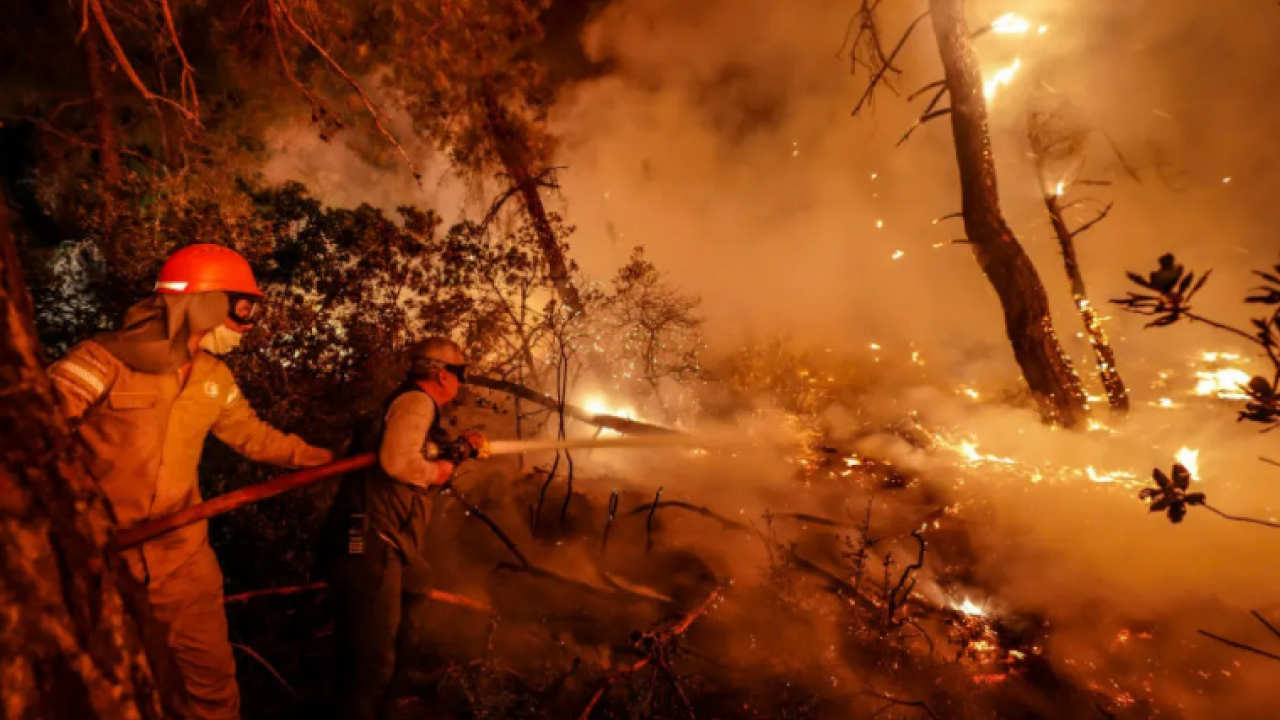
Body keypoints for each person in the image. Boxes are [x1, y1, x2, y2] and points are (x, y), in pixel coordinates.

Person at [47, 244, 334, 719]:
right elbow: (33, 431)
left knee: (212, 694)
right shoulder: (100, 362)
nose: (246, 322)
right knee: (109, 694)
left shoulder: (213, 378)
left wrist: (316, 457)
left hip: (183, 566)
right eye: (242, 306)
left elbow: (251, 434)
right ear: (202, 301)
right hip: (100, 564)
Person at [322, 337, 488, 720]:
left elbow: (425, 451)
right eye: (460, 374)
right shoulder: (416, 403)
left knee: (417, 585)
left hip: (388, 542)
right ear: (443, 375)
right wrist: (437, 472)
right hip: (367, 541)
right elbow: (398, 462)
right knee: (371, 666)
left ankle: (390, 695)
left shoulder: (415, 408)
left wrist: (462, 447)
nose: (461, 383)